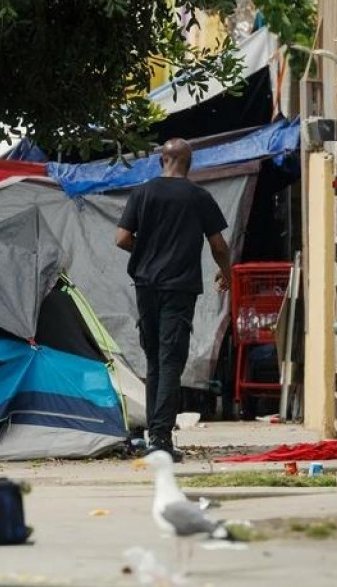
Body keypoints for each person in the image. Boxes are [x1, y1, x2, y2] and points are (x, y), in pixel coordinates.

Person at [115, 138, 232, 462]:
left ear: (160, 161)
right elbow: (219, 245)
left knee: (154, 359)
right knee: (170, 361)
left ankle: (154, 433)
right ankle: (161, 440)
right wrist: (227, 272)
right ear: (189, 163)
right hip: (179, 289)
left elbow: (122, 238)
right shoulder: (198, 197)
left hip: (146, 287)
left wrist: (146, 251)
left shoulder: (142, 193)